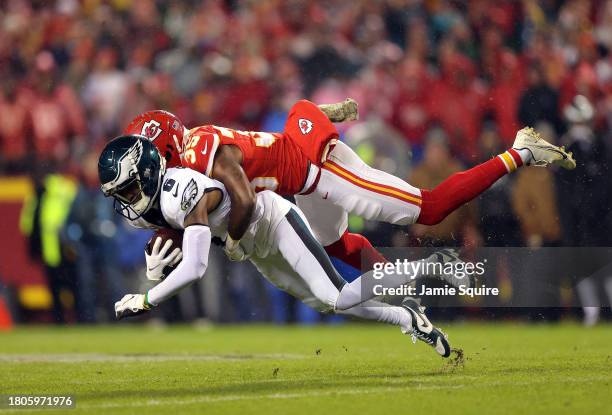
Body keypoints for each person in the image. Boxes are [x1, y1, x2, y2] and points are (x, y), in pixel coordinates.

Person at [124, 99, 576, 279]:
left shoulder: (198, 153)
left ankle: (520, 151)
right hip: (298, 176)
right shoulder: (184, 158)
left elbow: (238, 200)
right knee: (335, 244)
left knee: (432, 208)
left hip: (321, 170)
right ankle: (403, 291)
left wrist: (236, 241)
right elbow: (194, 215)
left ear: (165, 145)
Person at [99, 135, 452, 357]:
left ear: (146, 174)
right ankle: (408, 318)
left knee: (337, 296)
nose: (128, 202)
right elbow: (181, 243)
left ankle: (429, 264)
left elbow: (196, 265)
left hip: (273, 220)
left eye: (128, 190)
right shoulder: (151, 208)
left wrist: (148, 297)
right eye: (120, 195)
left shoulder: (178, 189)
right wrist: (161, 264)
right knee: (331, 304)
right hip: (256, 249)